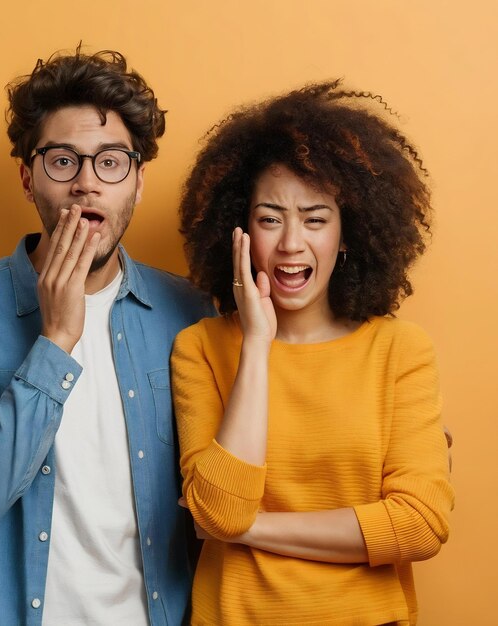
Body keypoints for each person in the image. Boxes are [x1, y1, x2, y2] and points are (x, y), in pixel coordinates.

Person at [0, 45, 215, 626]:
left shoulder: (191, 312)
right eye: (62, 161)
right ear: (28, 178)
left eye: (111, 162)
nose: (86, 185)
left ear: (138, 182)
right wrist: (55, 341)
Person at [171, 80, 455, 625]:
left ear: (346, 235)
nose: (291, 243)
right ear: (241, 230)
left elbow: (421, 525)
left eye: (316, 218)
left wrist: (249, 529)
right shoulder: (201, 348)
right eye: (270, 218)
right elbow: (222, 506)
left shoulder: (400, 351)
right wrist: (256, 343)